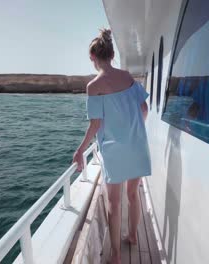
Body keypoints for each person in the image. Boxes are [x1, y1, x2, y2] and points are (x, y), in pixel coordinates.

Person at [72, 28, 151, 264]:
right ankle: (134, 235)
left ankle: (116, 255)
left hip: (114, 151)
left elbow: (95, 125)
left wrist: (79, 151)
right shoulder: (128, 77)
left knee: (114, 204)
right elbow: (144, 110)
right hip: (137, 145)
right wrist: (132, 132)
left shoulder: (93, 86)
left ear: (93, 58)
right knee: (133, 195)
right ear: (112, 54)